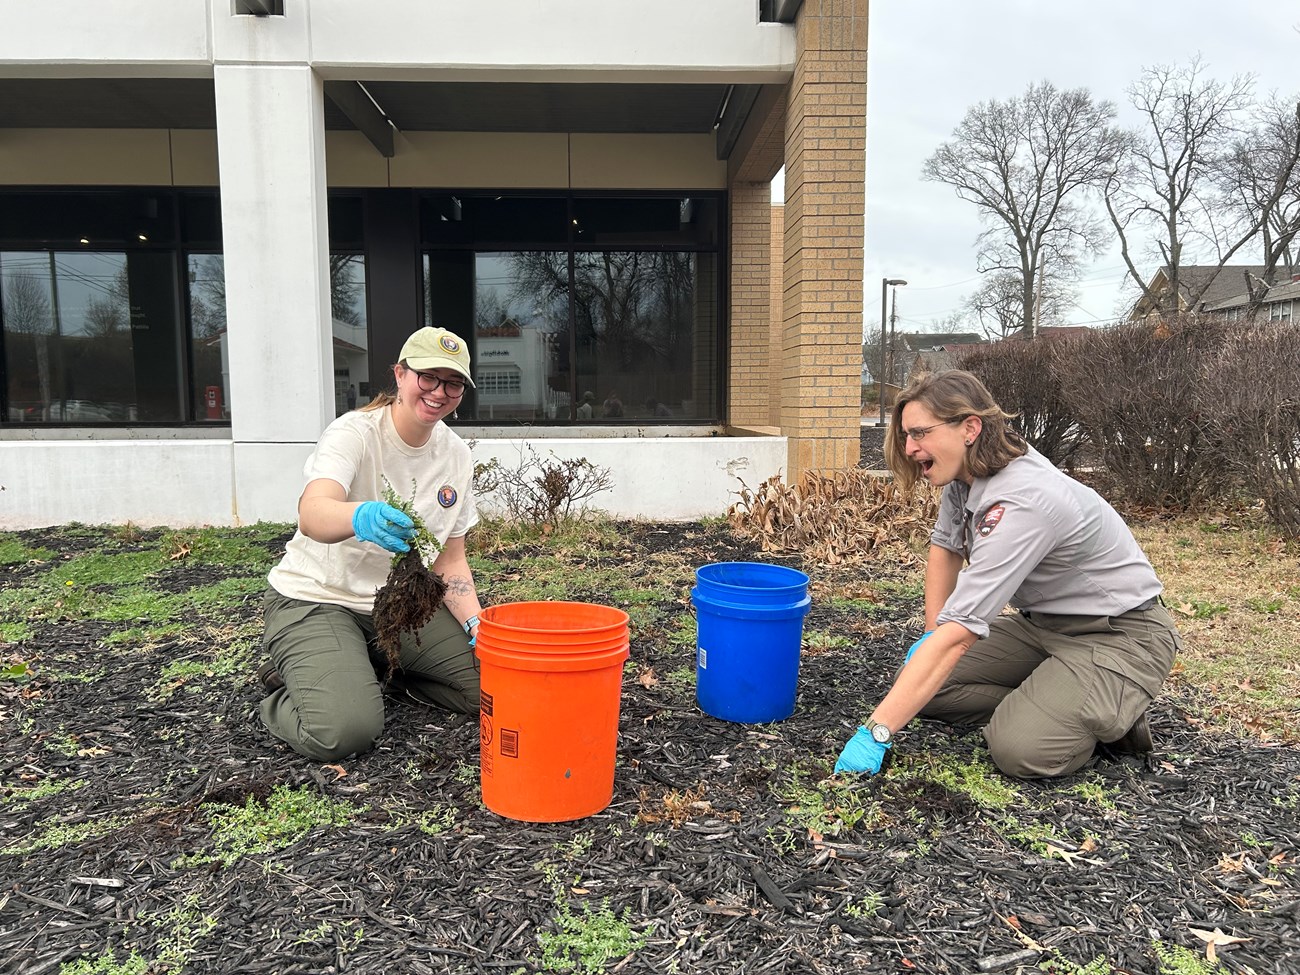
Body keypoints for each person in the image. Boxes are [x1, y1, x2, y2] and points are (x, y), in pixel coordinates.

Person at [835, 370, 1181, 779]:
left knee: (1020, 750)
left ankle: (1101, 714)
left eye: (920, 433)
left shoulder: (1024, 500)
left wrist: (876, 732)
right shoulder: (966, 474)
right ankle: (1058, 702)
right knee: (924, 685)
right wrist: (931, 635)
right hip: (1044, 626)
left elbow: (961, 632)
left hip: (1120, 636)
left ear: (969, 427)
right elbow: (945, 549)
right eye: (907, 436)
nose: (910, 448)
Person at [258, 326, 485, 762]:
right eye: (428, 377)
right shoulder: (355, 433)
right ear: (399, 375)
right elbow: (313, 512)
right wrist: (358, 517)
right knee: (344, 731)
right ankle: (286, 688)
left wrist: (476, 624)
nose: (439, 391)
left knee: (491, 689)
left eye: (453, 382)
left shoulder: (456, 456)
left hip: (395, 607)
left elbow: (450, 561)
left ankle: (368, 669)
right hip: (317, 599)